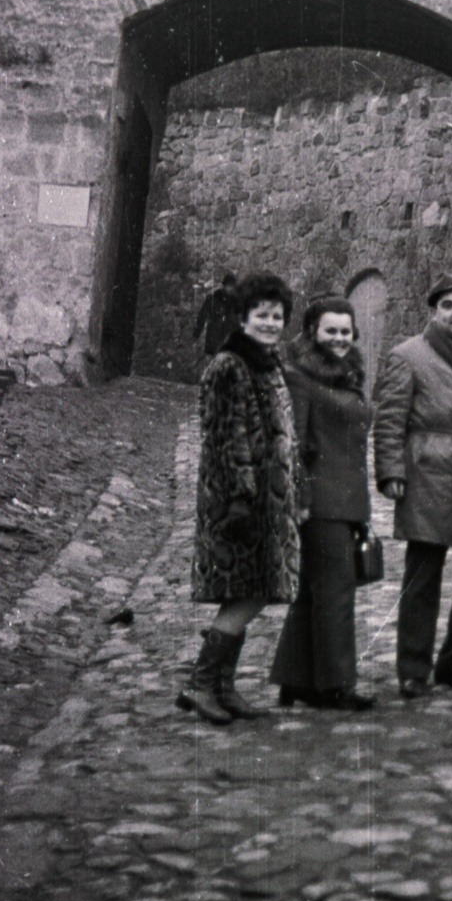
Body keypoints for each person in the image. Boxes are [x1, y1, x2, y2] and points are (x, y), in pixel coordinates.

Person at [373, 271, 452, 698]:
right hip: (428, 473)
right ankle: (413, 668)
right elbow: (390, 417)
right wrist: (391, 471)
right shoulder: (408, 355)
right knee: (422, 575)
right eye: (447, 306)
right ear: (434, 311)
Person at [177, 272, 300, 725]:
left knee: (253, 589)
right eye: (261, 316)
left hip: (266, 502)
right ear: (244, 318)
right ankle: (201, 683)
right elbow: (226, 440)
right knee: (247, 591)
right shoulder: (230, 365)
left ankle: (222, 687)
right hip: (238, 503)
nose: (270, 323)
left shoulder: (267, 362)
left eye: (277, 316)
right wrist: (241, 500)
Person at [270, 295, 375, 711]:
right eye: (330, 330)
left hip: (346, 501)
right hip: (322, 503)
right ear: (312, 331)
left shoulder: (346, 374)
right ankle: (336, 685)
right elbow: (293, 442)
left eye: (345, 331)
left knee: (315, 593)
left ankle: (295, 679)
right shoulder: (300, 377)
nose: (339, 338)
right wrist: (301, 499)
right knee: (335, 592)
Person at [193, 273, 239, 359]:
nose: (231, 289)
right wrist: (196, 333)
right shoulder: (213, 299)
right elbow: (202, 315)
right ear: (223, 286)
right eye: (229, 286)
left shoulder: (236, 303)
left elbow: (240, 322)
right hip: (215, 340)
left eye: (233, 286)